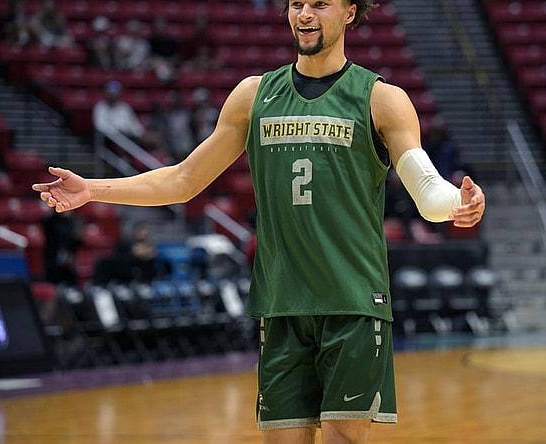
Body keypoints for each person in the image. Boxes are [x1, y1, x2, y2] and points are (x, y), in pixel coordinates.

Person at [33, 1, 485, 442]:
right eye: (296, 4)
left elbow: (425, 187)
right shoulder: (254, 95)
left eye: (319, 4)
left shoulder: (382, 98)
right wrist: (93, 189)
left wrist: (453, 204)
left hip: (353, 301)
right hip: (282, 301)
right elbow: (184, 179)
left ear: (350, 12)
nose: (304, 14)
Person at [41, 210, 83, 286]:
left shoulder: (74, 222)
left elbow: (78, 241)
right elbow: (53, 240)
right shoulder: (50, 221)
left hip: (70, 257)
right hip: (53, 257)